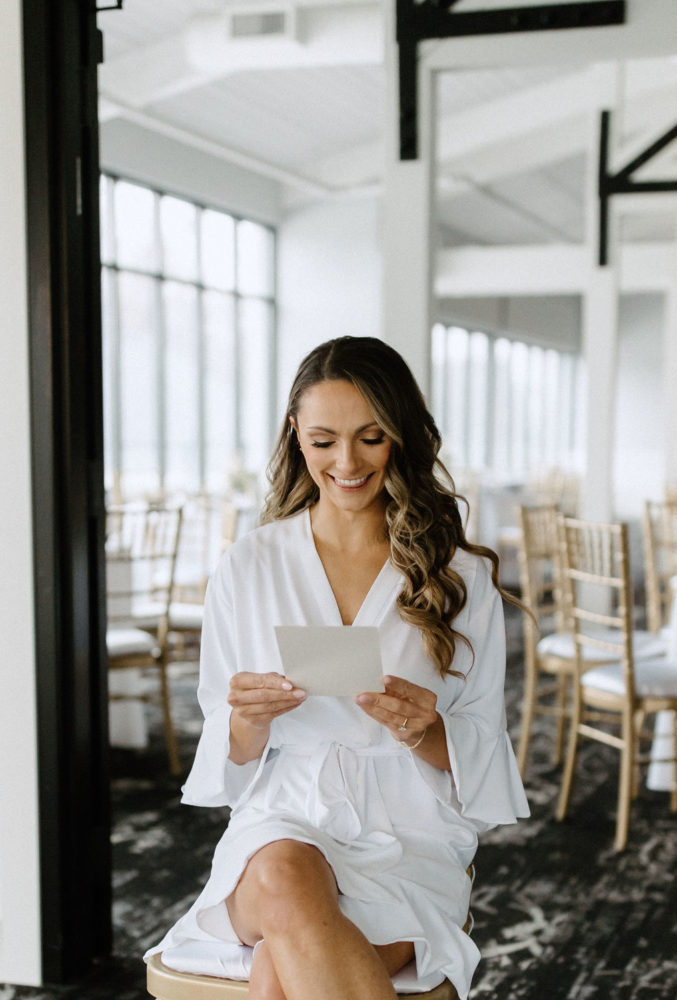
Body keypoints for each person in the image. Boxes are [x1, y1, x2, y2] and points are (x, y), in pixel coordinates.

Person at [144, 336, 529, 1000]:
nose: (345, 462)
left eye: (370, 437)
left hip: (409, 828)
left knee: (280, 970)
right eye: (322, 440)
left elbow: (486, 748)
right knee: (286, 875)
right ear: (295, 435)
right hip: (283, 812)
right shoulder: (251, 564)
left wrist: (424, 731)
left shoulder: (459, 577)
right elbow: (225, 758)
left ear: (400, 438)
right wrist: (244, 722)